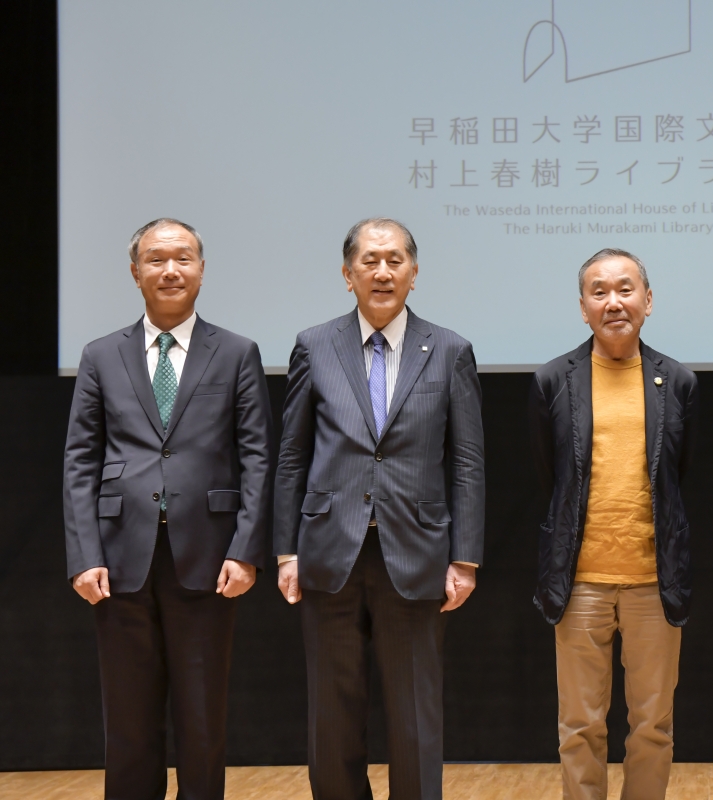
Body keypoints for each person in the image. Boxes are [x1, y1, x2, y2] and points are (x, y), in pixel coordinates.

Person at [274, 217, 485, 800]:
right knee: (331, 715)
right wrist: (286, 550)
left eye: (395, 260)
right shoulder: (314, 345)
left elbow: (467, 461)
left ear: (414, 273)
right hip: (327, 552)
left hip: (417, 553)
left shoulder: (450, 350)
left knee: (415, 715)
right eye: (370, 261)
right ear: (348, 275)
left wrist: (465, 558)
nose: (383, 271)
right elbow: (291, 455)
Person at [63, 218, 271, 799]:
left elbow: (257, 457)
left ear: (201, 270)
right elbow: (80, 461)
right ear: (136, 273)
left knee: (202, 719)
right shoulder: (101, 354)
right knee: (128, 721)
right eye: (156, 259)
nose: (170, 270)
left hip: (209, 557)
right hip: (117, 559)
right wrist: (83, 555)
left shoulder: (236, 352)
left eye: (183, 258)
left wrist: (246, 550)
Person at [528, 248, 699, 800]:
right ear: (583, 308)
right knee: (580, 726)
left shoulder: (678, 381)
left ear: (648, 300)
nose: (613, 302)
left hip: (654, 580)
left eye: (626, 289)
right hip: (579, 582)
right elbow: (550, 477)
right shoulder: (553, 380)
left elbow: (679, 476)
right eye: (598, 291)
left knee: (653, 726)